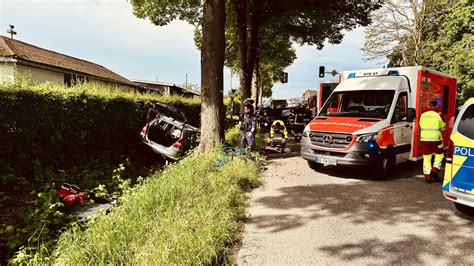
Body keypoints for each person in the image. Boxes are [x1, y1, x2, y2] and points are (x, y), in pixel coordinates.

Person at [419, 100, 446, 183]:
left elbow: (420, 125)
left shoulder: (423, 115)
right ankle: (434, 171)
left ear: (428, 105)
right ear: (436, 106)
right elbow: (443, 127)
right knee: (440, 155)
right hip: (436, 140)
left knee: (426, 157)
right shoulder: (439, 115)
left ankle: (427, 177)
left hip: (424, 139)